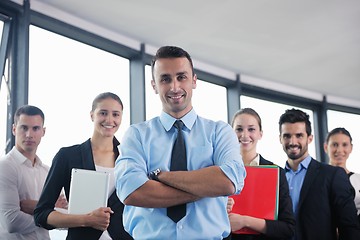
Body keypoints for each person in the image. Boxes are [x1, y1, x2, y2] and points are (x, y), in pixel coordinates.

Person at [114, 45, 246, 239]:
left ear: (194, 81)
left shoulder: (219, 132)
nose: (174, 87)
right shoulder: (137, 135)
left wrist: (163, 177)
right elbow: (132, 191)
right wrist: (206, 188)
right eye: (165, 79)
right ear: (154, 85)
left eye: (181, 77)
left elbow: (228, 181)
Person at [34, 92, 133, 240]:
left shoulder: (130, 158)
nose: (109, 119)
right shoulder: (67, 156)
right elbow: (41, 214)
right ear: (92, 115)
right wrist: (86, 220)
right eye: (103, 113)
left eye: (116, 114)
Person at [279, 108, 360, 240]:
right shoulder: (276, 177)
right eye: (287, 136)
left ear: (310, 138)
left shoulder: (332, 175)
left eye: (299, 135)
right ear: (280, 139)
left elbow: (349, 227)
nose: (293, 142)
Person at [227, 108, 294, 239]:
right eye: (239, 129)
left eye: (251, 129)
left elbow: (288, 229)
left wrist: (245, 221)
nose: (245, 135)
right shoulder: (220, 171)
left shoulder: (276, 173)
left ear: (260, 134)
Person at [0, 105, 66, 239]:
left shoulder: (47, 171)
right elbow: (12, 222)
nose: (29, 134)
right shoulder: (5, 167)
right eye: (24, 128)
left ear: (43, 131)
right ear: (14, 129)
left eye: (35, 128)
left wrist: (36, 207)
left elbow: (66, 217)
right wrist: (50, 210)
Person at [324, 127, 360, 222]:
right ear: (325, 147)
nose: (339, 150)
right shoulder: (317, 179)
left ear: (351, 148)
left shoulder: (358, 180)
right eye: (335, 145)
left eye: (345, 145)